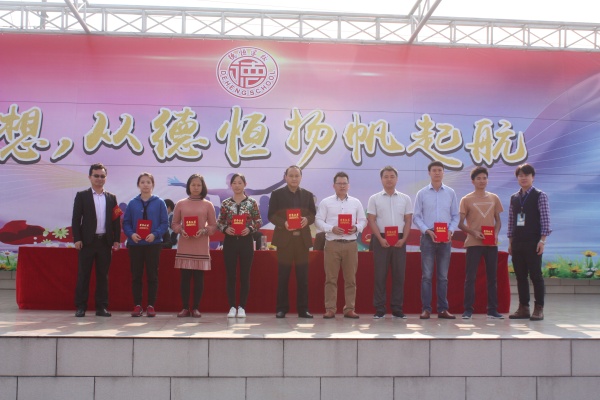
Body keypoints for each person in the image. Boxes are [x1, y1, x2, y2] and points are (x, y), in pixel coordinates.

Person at [72, 163, 121, 317]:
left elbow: (115, 220)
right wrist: (77, 239)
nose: (99, 179)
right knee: (83, 275)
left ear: (106, 178)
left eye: (102, 176)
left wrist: (116, 239)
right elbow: (76, 219)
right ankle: (81, 307)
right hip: (87, 242)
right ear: (90, 177)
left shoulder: (111, 198)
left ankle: (102, 307)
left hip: (104, 242)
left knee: (103, 276)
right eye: (96, 176)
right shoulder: (82, 195)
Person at [316, 171, 367, 319]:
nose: (342, 186)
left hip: (351, 244)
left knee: (350, 279)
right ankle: (330, 309)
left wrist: (356, 228)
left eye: (345, 183)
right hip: (332, 244)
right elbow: (318, 221)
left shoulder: (356, 202)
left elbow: (363, 220)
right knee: (330, 279)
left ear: (348, 185)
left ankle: (349, 308)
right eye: (339, 183)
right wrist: (331, 228)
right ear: (334, 186)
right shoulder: (326, 202)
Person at [268, 165, 316, 319]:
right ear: (285, 177)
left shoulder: (308, 195)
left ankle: (304, 309)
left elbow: (313, 215)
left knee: (303, 278)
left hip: (302, 241)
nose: (294, 178)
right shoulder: (277, 194)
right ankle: (281, 309)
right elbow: (271, 215)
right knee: (283, 276)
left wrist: (306, 220)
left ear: (301, 177)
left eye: (297, 176)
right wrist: (284, 223)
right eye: (291, 175)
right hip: (284, 241)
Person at [413, 161, 459, 320]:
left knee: (443, 277)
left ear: (443, 172)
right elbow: (416, 217)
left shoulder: (450, 193)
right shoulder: (422, 193)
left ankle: (443, 309)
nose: (437, 173)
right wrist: (427, 230)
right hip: (428, 237)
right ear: (429, 173)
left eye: (440, 170)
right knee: (426, 276)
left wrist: (451, 230)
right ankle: (426, 309)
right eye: (434, 170)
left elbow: (456, 216)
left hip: (445, 238)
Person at [367, 166, 413, 319]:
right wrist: (380, 239)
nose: (389, 179)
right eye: (386, 176)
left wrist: (404, 239)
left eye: (392, 176)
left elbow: (408, 220)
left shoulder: (405, 198)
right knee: (380, 275)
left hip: (399, 239)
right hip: (381, 238)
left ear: (397, 179)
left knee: (399, 275)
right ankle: (380, 308)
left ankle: (397, 308)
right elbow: (371, 220)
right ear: (381, 179)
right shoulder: (374, 198)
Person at [458, 166, 504, 319]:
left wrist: (495, 234)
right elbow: (460, 224)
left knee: (492, 278)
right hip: (473, 243)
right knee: (470, 277)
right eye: (478, 178)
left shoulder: (494, 198)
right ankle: (468, 310)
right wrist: (473, 232)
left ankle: (492, 310)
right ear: (473, 181)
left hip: (491, 244)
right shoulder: (466, 199)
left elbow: (498, 221)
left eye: (484, 178)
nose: (482, 181)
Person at [507, 163, 551, 321]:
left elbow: (545, 220)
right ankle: (523, 308)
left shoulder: (540, 195)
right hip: (517, 242)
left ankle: (539, 308)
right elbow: (511, 221)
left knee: (536, 276)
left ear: (533, 177)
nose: (523, 178)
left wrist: (542, 241)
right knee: (520, 276)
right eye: (520, 175)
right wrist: (510, 242)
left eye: (526, 175)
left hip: (533, 241)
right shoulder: (514, 198)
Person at [123, 173, 169, 317]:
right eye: (142, 182)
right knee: (136, 276)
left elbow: (164, 223)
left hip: (153, 244)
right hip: (135, 244)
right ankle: (137, 305)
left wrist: (155, 234)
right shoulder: (132, 203)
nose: (145, 185)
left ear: (152, 185)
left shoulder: (159, 202)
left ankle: (150, 306)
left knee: (152, 275)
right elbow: (126, 223)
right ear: (138, 185)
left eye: (148, 182)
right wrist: (131, 234)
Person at [171, 174, 217, 318]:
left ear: (203, 187)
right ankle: (185, 308)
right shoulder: (181, 203)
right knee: (184, 278)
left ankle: (196, 308)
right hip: (185, 245)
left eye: (198, 185)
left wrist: (204, 231)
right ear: (188, 186)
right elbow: (174, 224)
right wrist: (181, 230)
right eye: (193, 185)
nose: (196, 187)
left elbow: (213, 226)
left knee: (198, 278)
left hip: (200, 245)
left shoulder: (208, 204)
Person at [217, 173, 262, 318]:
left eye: (240, 183)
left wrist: (250, 229)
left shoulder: (251, 202)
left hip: (246, 241)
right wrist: (225, 229)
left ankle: (242, 306)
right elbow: (220, 222)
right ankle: (231, 306)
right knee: (230, 275)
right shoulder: (226, 203)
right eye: (234, 183)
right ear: (231, 185)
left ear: (245, 184)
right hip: (230, 242)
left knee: (245, 275)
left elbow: (258, 221)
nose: (237, 185)